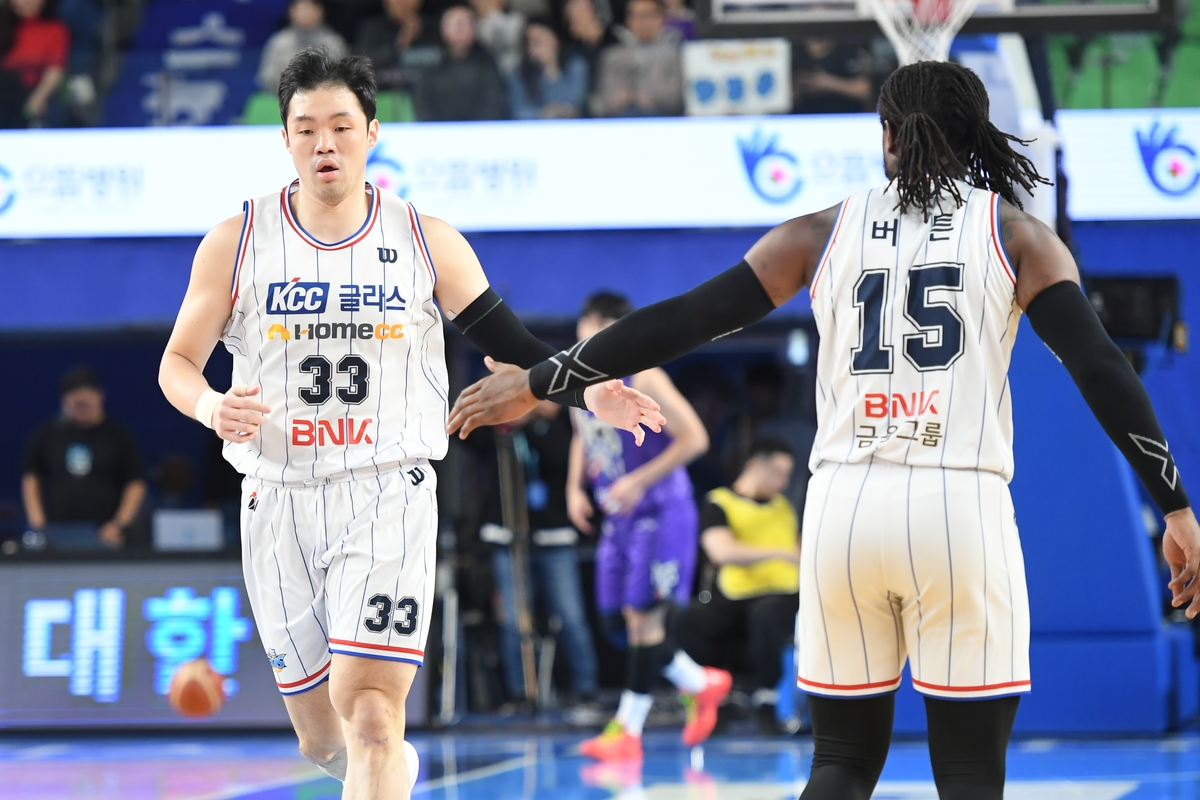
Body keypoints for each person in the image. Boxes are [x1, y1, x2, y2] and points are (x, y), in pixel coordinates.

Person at [447, 60, 1200, 799]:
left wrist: (541, 378)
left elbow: (682, 320)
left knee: (839, 766)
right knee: (970, 778)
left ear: (887, 135)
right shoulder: (1018, 236)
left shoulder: (819, 231)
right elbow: (1101, 367)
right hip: (959, 507)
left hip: (842, 511)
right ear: (977, 137)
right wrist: (1173, 506)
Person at [158, 46, 661, 799]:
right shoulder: (236, 241)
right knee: (323, 738)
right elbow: (175, 364)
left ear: (372, 131)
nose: (323, 143)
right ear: (285, 139)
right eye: (306, 129)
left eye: (339, 126)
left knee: (370, 717)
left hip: (386, 491)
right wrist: (210, 405)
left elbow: (515, 349)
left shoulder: (426, 240)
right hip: (277, 497)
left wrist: (590, 392)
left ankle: (386, 753)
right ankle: (389, 769)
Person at [567, 292, 730, 761]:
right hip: (618, 515)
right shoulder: (582, 381)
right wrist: (573, 489)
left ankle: (628, 731)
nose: (591, 342)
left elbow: (695, 438)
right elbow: (586, 434)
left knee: (644, 619)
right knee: (621, 621)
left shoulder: (645, 375)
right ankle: (702, 683)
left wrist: (639, 480)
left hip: (661, 511)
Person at [465, 401, 601, 712]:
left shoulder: (567, 423)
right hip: (509, 537)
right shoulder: (504, 425)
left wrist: (538, 419)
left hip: (554, 536)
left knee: (570, 616)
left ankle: (586, 689)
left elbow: (563, 458)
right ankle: (520, 693)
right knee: (514, 620)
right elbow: (471, 442)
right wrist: (510, 416)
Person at [677, 438, 800, 734]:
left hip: (782, 593)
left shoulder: (783, 507)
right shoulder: (719, 502)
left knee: (767, 614)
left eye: (787, 475)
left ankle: (767, 703)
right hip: (735, 593)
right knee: (691, 619)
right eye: (778, 472)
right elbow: (721, 551)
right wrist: (777, 551)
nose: (783, 482)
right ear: (755, 465)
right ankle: (710, 700)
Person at [22, 366, 146, 550]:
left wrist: (119, 524)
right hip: (57, 532)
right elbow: (31, 477)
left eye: (85, 403)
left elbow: (135, 483)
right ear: (64, 401)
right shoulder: (49, 434)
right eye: (76, 403)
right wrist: (38, 523)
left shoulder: (118, 436)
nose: (81, 408)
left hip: (105, 533)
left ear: (99, 396)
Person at [416, 6, 509, 121]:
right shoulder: (431, 64)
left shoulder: (488, 63)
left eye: (465, 24)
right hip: (440, 133)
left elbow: (493, 103)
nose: (460, 29)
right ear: (444, 29)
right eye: (456, 24)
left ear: (474, 29)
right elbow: (424, 105)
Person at [594, 0, 682, 117]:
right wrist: (631, 98)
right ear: (628, 21)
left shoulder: (674, 54)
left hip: (662, 120)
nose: (643, 22)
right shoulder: (613, 56)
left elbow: (675, 97)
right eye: (637, 16)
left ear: (661, 18)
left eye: (647, 15)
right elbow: (605, 99)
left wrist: (644, 98)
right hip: (620, 121)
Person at [0, 0, 67, 128]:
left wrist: (38, 99)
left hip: (30, 98)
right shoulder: (4, 26)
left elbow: (54, 70)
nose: (26, 2)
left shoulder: (54, 29)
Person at [258, 0, 349, 94]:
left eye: (310, 6)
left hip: (324, 100)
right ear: (291, 11)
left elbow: (342, 80)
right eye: (300, 7)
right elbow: (266, 78)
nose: (305, 12)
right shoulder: (278, 42)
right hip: (282, 99)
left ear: (320, 11)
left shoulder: (333, 43)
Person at [353, 0, 441, 94]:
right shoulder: (371, 28)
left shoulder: (434, 28)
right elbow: (361, 65)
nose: (401, 1)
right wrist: (399, 45)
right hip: (384, 95)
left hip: (429, 94)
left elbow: (442, 61)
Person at [508, 18, 588, 119]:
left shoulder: (576, 66)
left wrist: (550, 70)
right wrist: (543, 113)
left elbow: (576, 103)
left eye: (538, 42)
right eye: (529, 43)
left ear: (554, 39)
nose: (533, 48)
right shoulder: (519, 74)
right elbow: (518, 110)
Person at [791, 37, 873, 115]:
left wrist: (828, 83)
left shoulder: (846, 49)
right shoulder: (794, 53)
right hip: (803, 119)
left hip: (844, 118)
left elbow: (865, 90)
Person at [469, 0, 524, 75]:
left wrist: (493, 15)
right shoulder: (474, 25)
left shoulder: (516, 20)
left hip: (516, 69)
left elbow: (507, 40)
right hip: (485, 73)